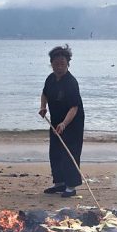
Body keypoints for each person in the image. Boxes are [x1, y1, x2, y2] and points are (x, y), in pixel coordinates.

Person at [39, 44, 85, 198]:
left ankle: (71, 187)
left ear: (68, 64)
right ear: (51, 64)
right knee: (55, 152)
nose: (59, 67)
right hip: (56, 120)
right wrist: (43, 107)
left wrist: (65, 123)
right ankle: (59, 183)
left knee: (69, 153)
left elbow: (74, 107)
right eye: (56, 64)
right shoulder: (51, 79)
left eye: (62, 64)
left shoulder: (71, 82)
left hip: (72, 123)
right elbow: (44, 94)